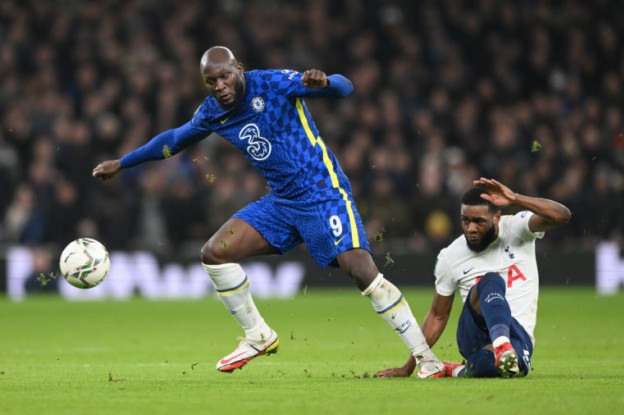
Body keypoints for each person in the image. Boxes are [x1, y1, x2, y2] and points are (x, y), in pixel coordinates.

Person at [92, 46, 443, 377]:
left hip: (323, 192)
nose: (220, 86)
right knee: (215, 253)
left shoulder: (272, 84)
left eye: (224, 77)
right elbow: (172, 140)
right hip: (282, 202)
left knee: (361, 271)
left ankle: (426, 359)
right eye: (211, 82)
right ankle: (258, 335)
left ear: (238, 69)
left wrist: (326, 82)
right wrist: (122, 163)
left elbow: (345, 88)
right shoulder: (213, 112)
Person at [377, 177, 571, 378]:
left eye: (479, 221)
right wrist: (409, 366)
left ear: (496, 218)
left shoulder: (517, 227)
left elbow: (562, 216)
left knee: (491, 368)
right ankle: (501, 345)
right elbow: (437, 315)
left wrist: (515, 199)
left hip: (518, 336)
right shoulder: (450, 256)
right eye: (465, 220)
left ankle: (458, 369)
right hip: (474, 334)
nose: (471, 228)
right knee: (490, 281)